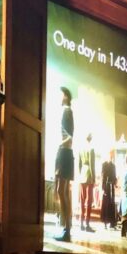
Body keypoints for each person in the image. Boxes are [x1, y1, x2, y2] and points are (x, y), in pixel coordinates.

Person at [54, 86, 75, 242]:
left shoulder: (66, 111)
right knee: (64, 192)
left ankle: (67, 229)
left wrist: (59, 144)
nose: (59, 97)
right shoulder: (67, 111)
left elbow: (69, 136)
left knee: (61, 191)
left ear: (66, 97)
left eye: (61, 95)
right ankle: (66, 228)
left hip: (65, 152)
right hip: (66, 153)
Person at [78, 132, 96, 232]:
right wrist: (93, 177)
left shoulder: (81, 149)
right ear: (91, 138)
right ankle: (87, 224)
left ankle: (81, 223)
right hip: (89, 175)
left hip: (82, 175)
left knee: (82, 200)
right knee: (89, 201)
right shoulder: (91, 149)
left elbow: (79, 165)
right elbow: (92, 165)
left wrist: (80, 175)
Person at [100, 149, 118, 229]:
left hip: (111, 186)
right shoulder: (104, 164)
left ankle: (111, 222)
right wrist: (103, 187)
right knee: (106, 203)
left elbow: (114, 176)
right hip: (106, 186)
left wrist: (115, 182)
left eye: (112, 154)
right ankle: (105, 221)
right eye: (111, 154)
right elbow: (103, 176)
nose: (112, 156)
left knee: (111, 203)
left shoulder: (113, 166)